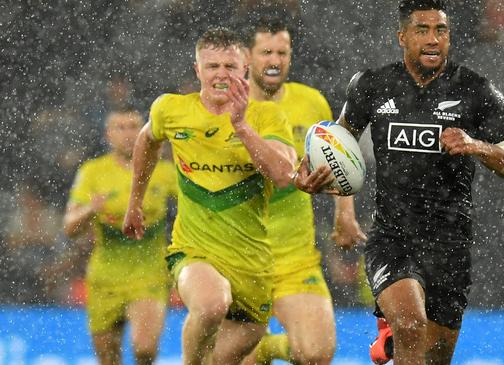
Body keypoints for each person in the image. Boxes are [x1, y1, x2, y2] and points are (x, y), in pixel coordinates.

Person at [293, 1, 504, 363]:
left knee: (434, 355)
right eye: (422, 30)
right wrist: (322, 185)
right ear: (402, 36)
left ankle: (391, 337)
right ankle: (394, 326)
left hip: (450, 243)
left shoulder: (475, 90)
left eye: (441, 30)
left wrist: (476, 146)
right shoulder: (372, 86)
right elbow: (336, 145)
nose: (433, 39)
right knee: (411, 326)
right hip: (392, 236)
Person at [122, 27, 331, 365]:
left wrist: (241, 126)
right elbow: (147, 141)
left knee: (244, 352)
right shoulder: (171, 109)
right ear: (197, 70)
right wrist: (135, 202)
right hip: (195, 251)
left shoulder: (266, 116)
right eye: (212, 66)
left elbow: (282, 174)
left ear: (244, 69)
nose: (221, 74)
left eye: (230, 67)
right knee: (210, 304)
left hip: (253, 264)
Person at [237, 17, 366, 365]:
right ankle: (252, 351)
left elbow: (340, 159)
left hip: (295, 256)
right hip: (238, 257)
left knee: (316, 353)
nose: (275, 60)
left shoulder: (311, 103)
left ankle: (266, 348)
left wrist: (345, 214)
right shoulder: (229, 108)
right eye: (266, 52)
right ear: (247, 58)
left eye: (282, 51)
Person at [63, 107, 177, 365]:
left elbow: (196, 208)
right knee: (108, 359)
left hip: (150, 274)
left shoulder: (165, 172)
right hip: (105, 279)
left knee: (144, 349)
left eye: (134, 126)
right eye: (120, 128)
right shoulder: (92, 172)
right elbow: (69, 228)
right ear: (108, 134)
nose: (128, 134)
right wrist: (90, 210)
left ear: (145, 131)